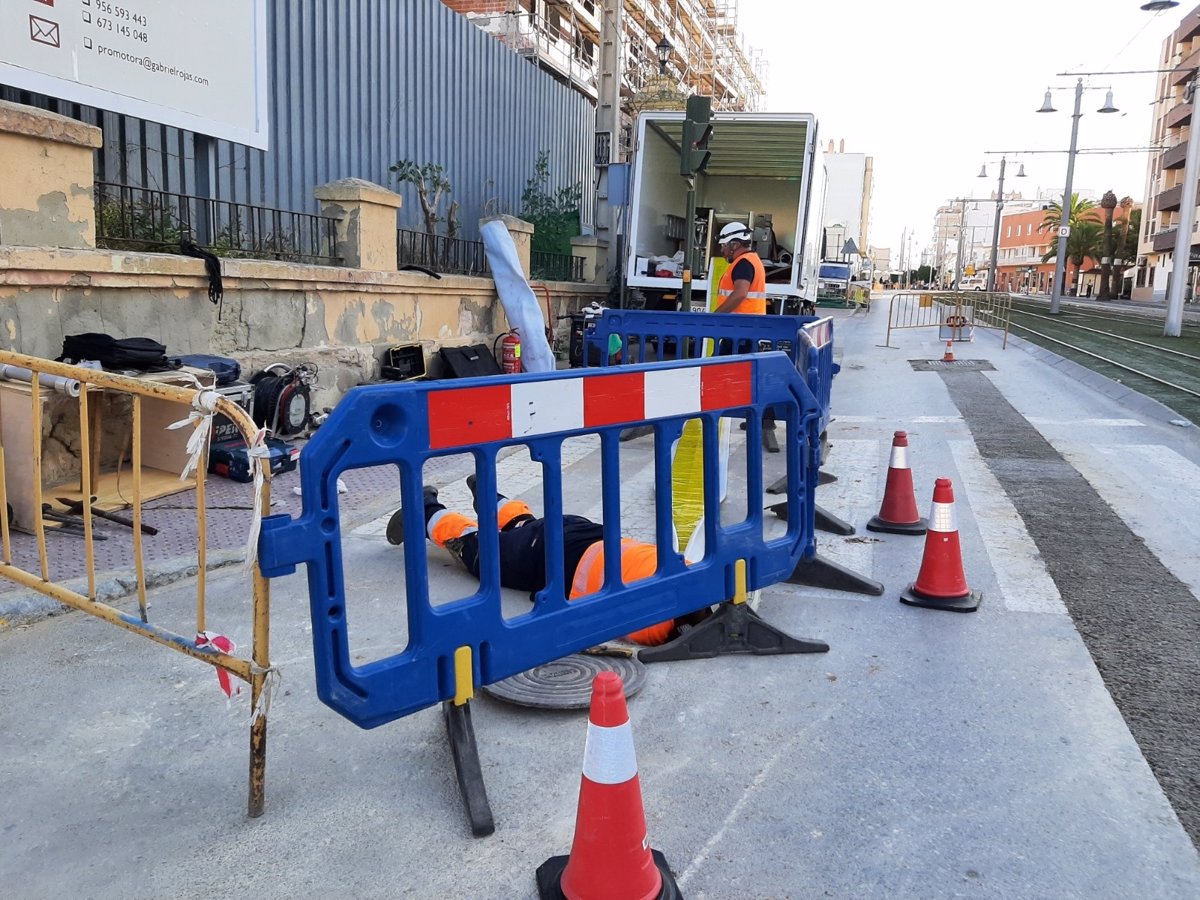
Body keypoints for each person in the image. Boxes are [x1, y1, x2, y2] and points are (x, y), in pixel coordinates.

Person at [386, 477, 710, 646]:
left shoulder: (695, 568)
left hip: (585, 534)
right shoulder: (656, 624)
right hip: (550, 556)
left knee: (527, 530)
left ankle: (490, 495)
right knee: (479, 551)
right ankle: (425, 509)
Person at [712, 222, 768, 315]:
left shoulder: (744, 263)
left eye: (724, 245)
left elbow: (740, 293)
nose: (722, 250)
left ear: (735, 245)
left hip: (741, 324)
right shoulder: (751, 260)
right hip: (749, 323)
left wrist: (717, 316)